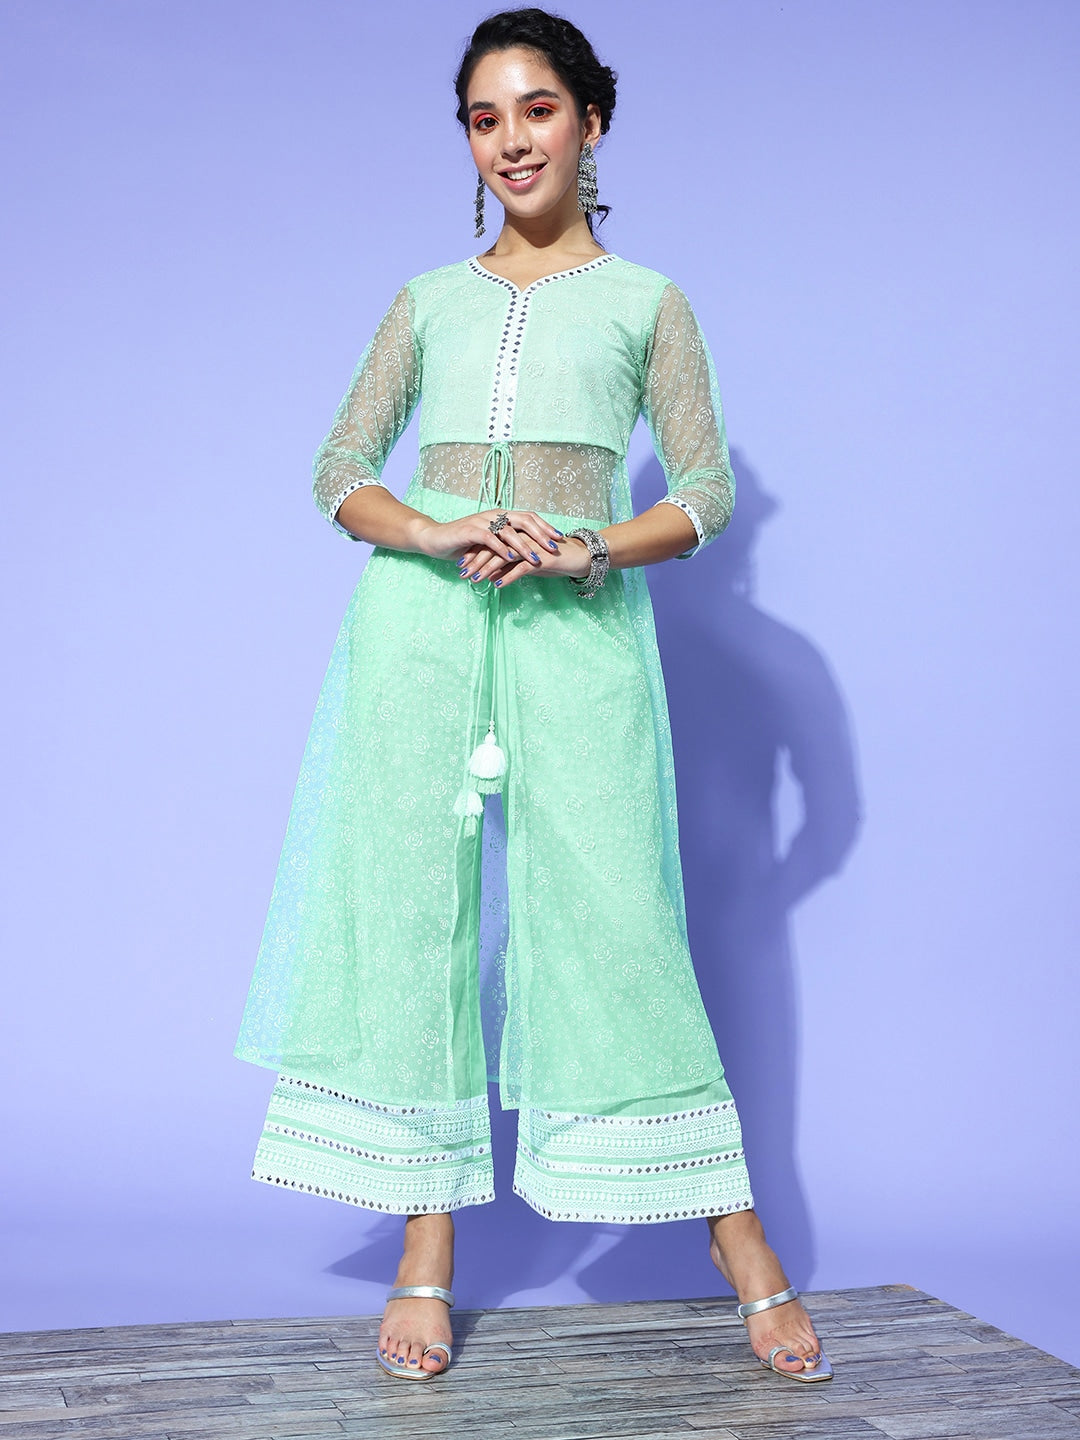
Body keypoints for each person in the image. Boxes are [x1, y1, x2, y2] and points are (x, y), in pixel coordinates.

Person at [233, 5, 831, 1388]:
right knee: (412, 917)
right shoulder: (426, 300)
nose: (511, 140)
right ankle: (425, 1248)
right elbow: (337, 466)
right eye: (484, 118)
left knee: (618, 917)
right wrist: (434, 530)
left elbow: (704, 489)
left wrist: (587, 549)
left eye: (537, 109)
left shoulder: (648, 302)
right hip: (420, 632)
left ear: (591, 122)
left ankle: (735, 1237)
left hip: (579, 633)